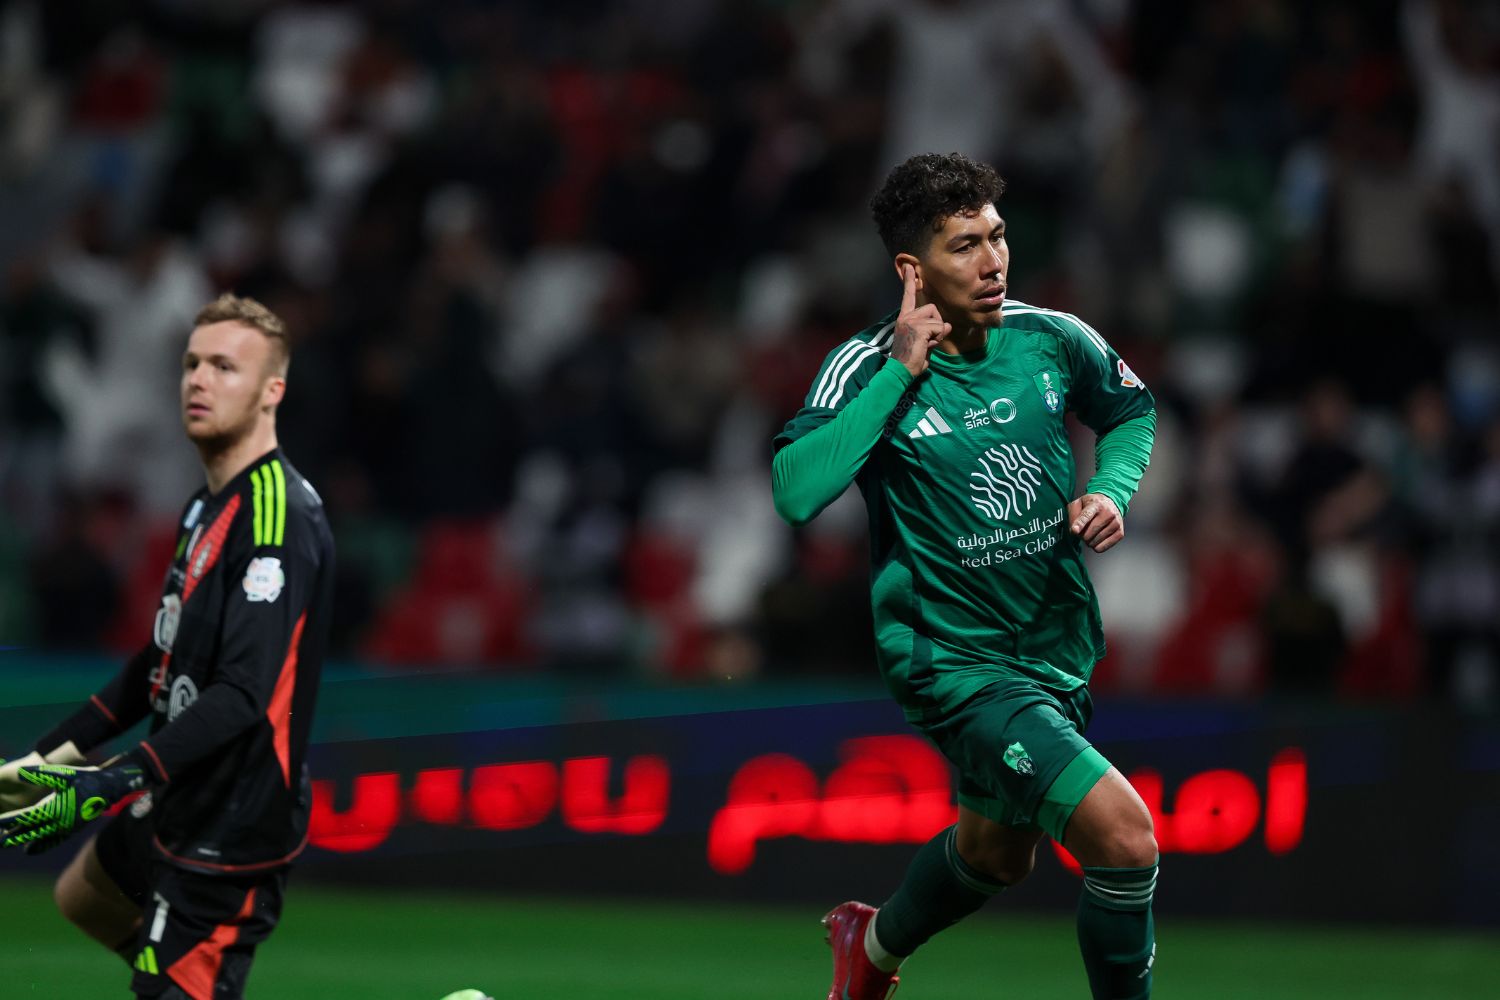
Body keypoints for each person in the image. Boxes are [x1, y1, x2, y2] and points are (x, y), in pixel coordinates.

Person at [771, 152, 1159, 999]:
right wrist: (898, 375)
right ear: (912, 269)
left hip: (1053, 650)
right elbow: (797, 493)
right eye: (964, 246)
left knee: (995, 858)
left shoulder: (1050, 337)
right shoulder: (865, 366)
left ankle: (868, 948)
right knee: (1126, 842)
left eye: (997, 237)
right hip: (953, 663)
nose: (993, 262)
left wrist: (1109, 488)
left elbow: (1129, 409)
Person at [0, 293, 335, 1000]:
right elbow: (159, 662)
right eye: (191, 364)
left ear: (272, 391)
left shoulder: (277, 521)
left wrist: (107, 783)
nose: (199, 380)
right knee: (85, 896)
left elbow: (243, 696)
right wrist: (47, 758)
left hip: (235, 817)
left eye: (224, 366)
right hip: (179, 790)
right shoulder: (207, 503)